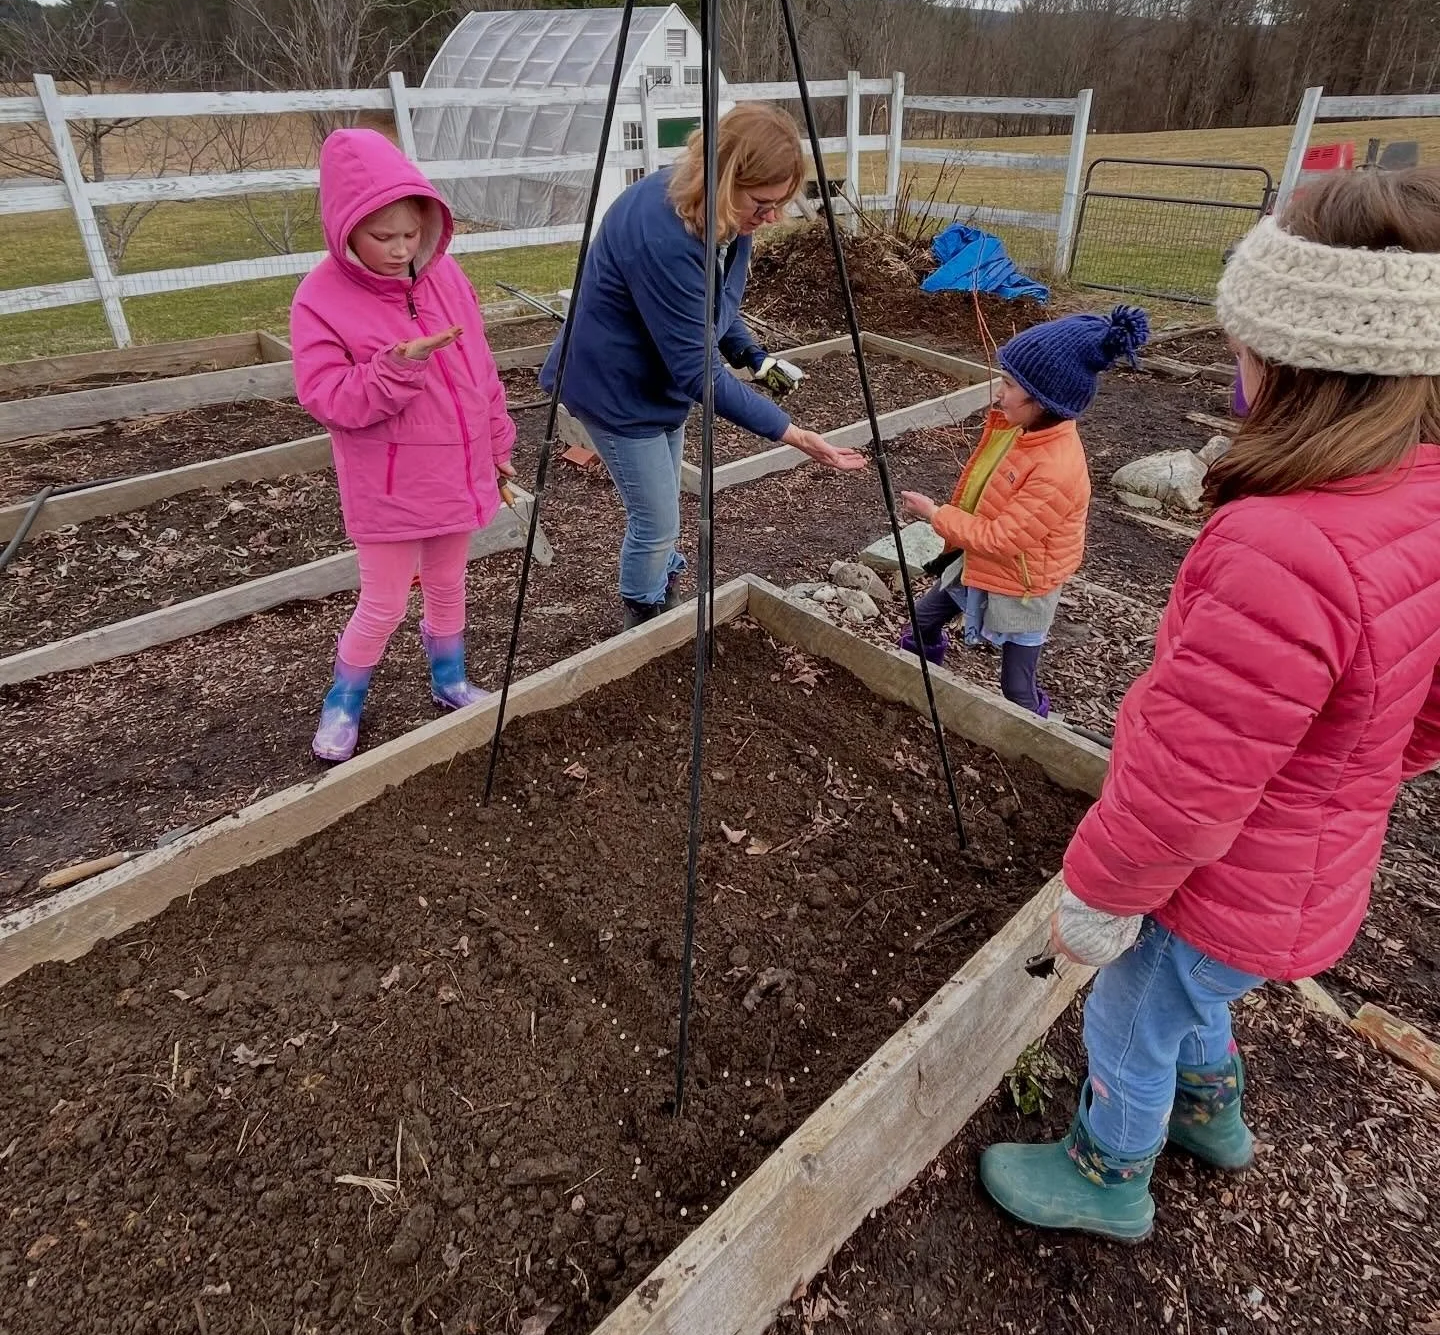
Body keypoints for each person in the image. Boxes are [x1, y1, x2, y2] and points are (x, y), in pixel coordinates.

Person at [980, 168, 1440, 1242]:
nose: (1236, 369)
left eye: (1243, 349)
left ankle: (1109, 1175)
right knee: (1199, 997)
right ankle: (1211, 1115)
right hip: (1311, 870)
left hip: (1221, 878)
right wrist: (1352, 768)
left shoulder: (1281, 547)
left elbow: (1187, 784)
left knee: (1135, 1013)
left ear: (1291, 367)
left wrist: (1101, 894)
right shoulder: (1421, 500)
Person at [540, 102, 866, 626]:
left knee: (662, 504)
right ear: (725, 175)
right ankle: (644, 617)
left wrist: (752, 355)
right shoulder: (662, 233)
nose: (771, 217)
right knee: (655, 519)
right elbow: (696, 371)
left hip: (653, 387)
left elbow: (708, 308)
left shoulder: (720, 211)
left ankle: (660, 577)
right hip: (615, 390)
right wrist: (793, 433)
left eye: (780, 203)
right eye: (763, 203)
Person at [291, 128, 516, 763]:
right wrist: (397, 367)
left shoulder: (447, 278)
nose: (399, 250)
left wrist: (498, 440)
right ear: (345, 229)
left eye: (410, 235)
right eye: (381, 237)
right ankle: (343, 703)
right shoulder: (320, 299)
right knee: (384, 601)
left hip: (458, 468)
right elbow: (327, 397)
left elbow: (480, 369)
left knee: (449, 582)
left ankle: (448, 680)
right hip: (388, 486)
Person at [898, 307, 1150, 716]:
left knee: (1016, 690)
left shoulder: (1056, 468)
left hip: (1024, 584)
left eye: (1009, 384)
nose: (999, 392)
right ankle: (913, 684)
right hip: (979, 563)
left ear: (1044, 399)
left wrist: (934, 514)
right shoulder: (1023, 429)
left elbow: (1003, 539)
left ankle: (1037, 741)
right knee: (921, 622)